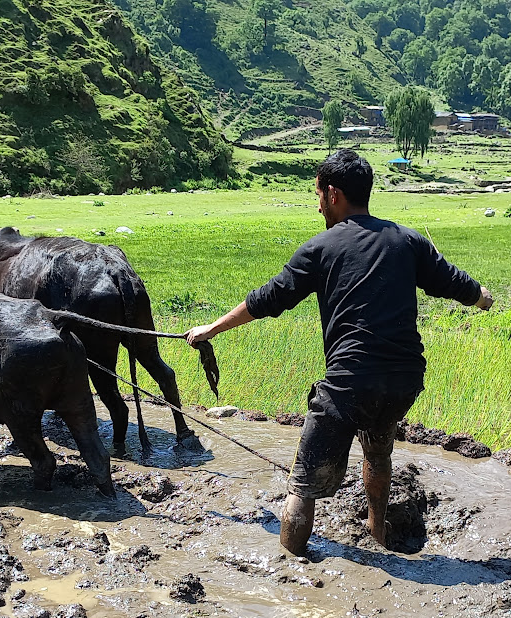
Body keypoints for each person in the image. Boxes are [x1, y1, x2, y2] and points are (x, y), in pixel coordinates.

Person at [185, 149, 493, 555]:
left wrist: (211, 329)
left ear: (332, 194)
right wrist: (482, 298)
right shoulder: (408, 240)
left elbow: (267, 299)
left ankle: (290, 569)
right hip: (404, 383)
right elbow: (457, 283)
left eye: (317, 195)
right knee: (378, 444)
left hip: (349, 383)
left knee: (303, 483)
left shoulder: (320, 248)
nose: (317, 206)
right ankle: (378, 537)